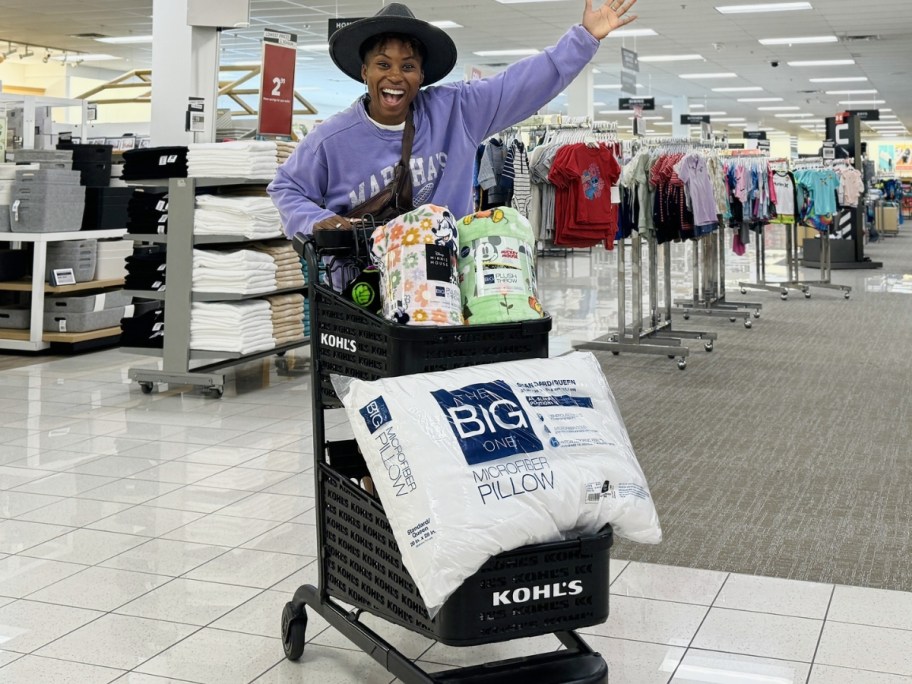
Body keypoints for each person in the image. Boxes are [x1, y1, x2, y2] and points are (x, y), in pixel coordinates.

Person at [268, 0, 638, 237]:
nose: (395, 76)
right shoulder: (331, 140)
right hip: (362, 292)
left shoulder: (456, 111)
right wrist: (315, 220)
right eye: (383, 64)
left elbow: (522, 85)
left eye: (408, 66)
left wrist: (585, 37)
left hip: (444, 283)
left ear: (422, 76)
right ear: (364, 72)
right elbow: (285, 188)